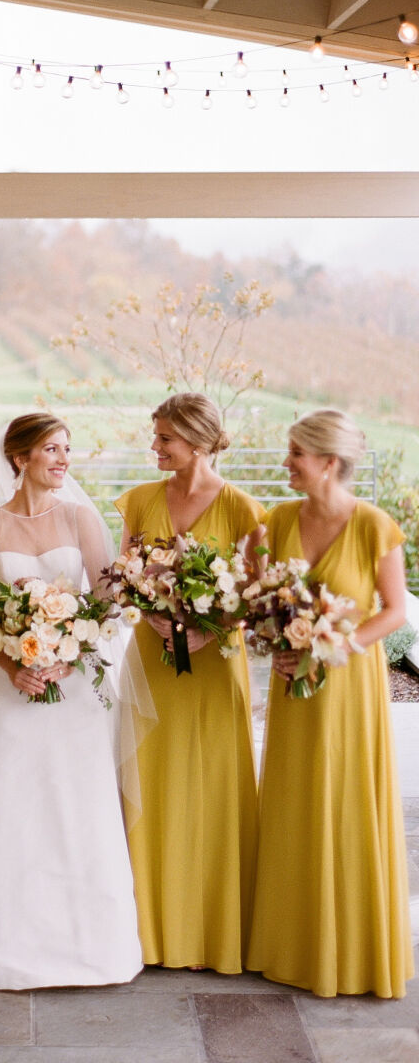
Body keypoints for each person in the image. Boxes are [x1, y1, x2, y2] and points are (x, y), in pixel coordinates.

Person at [0, 412, 146, 989]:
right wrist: (13, 663)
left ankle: (95, 946)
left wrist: (71, 652)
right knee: (12, 803)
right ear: (20, 458)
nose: (64, 460)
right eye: (51, 449)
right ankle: (8, 945)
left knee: (77, 804)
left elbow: (106, 601)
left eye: (67, 449)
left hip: (77, 690)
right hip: (12, 687)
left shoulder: (80, 517)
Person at [246, 410, 413, 997]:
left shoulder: (374, 525)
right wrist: (275, 641)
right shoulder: (275, 520)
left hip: (348, 684)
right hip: (294, 682)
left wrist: (335, 644)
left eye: (295, 453)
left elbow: (394, 610)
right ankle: (290, 944)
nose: (286, 462)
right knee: (295, 799)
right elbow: (257, 593)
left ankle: (354, 949)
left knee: (344, 798)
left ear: (329, 462)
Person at [114, 392, 264, 975]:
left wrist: (214, 627)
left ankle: (214, 931)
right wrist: (147, 610)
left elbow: (256, 591)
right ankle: (146, 932)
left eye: (164, 440)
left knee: (213, 787)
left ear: (198, 442)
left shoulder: (243, 509)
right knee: (147, 783)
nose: (154, 448)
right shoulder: (140, 500)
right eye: (154, 437)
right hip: (150, 659)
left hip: (215, 663)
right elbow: (123, 575)